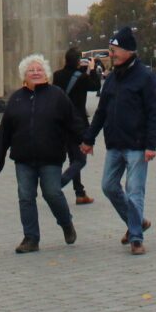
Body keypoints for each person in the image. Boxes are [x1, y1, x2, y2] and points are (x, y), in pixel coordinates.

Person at [0, 54, 85, 254]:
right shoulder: (16, 98)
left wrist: (85, 141)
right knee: (25, 196)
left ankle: (66, 223)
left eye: (39, 69)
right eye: (31, 70)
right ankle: (31, 238)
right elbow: (4, 133)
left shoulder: (57, 96)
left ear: (46, 73)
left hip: (51, 156)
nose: (36, 72)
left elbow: (73, 123)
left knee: (53, 193)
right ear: (24, 75)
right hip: (23, 159)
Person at [82, 25, 156, 255]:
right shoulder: (112, 78)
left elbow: (155, 112)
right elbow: (101, 112)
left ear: (128, 51)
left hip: (137, 145)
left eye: (114, 49)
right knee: (108, 186)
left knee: (135, 190)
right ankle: (135, 221)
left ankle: (136, 238)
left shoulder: (146, 77)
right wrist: (89, 139)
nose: (111, 54)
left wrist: (151, 144)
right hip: (115, 144)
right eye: (110, 49)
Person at [50, 47, 100, 204]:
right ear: (79, 61)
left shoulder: (57, 75)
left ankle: (80, 193)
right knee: (80, 160)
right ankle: (60, 182)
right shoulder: (82, 78)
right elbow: (96, 86)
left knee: (73, 158)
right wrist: (92, 70)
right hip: (78, 124)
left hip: (61, 122)